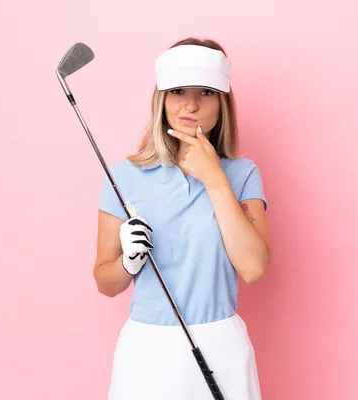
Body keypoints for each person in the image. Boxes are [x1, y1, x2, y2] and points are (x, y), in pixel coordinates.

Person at [93, 37, 271, 400]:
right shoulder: (124, 176)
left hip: (221, 347)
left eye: (205, 92)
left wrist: (215, 179)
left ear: (223, 102)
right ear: (161, 99)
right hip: (147, 350)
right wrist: (128, 262)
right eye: (178, 92)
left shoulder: (243, 173)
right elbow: (105, 283)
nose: (190, 105)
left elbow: (253, 267)